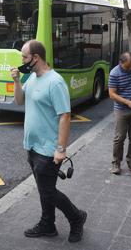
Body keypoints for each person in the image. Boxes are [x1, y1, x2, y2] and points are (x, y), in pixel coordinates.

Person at [10, 40, 87, 243]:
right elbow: (19, 101)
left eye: (24, 57)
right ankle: (48, 224)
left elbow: (65, 116)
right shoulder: (32, 78)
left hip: (48, 149)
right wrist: (17, 81)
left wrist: (60, 149)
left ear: (36, 58)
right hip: (32, 146)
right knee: (45, 191)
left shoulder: (55, 81)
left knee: (49, 192)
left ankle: (77, 217)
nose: (22, 61)